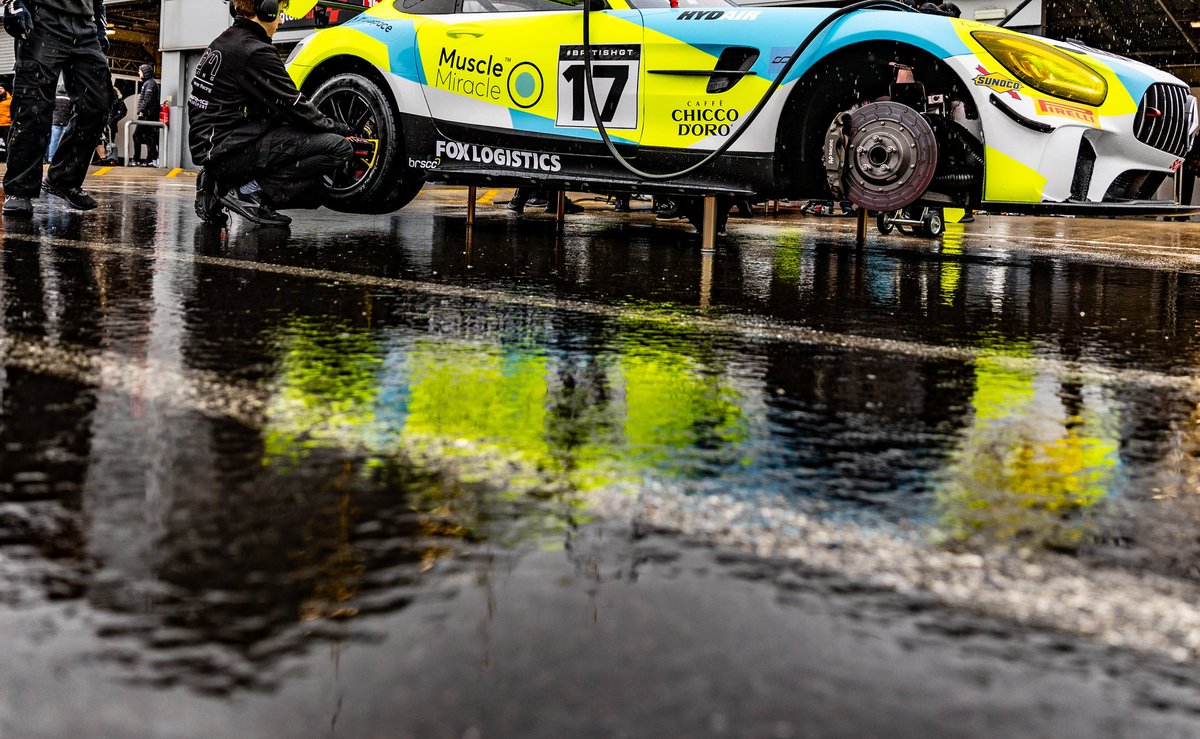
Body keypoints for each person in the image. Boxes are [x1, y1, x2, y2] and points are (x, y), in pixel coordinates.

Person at [188, 0, 355, 226]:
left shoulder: (223, 42)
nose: (279, 20)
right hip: (230, 152)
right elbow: (295, 105)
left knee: (289, 131)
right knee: (338, 148)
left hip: (216, 151)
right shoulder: (254, 51)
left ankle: (217, 182)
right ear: (265, 10)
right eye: (279, 11)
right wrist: (338, 127)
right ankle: (249, 192)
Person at [1, 0, 111, 216]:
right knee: (33, 105)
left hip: (84, 25)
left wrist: (100, 23)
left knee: (98, 104)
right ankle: (20, 188)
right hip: (42, 18)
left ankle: (63, 178)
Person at [131, 63, 159, 166]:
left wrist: (142, 111)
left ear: (145, 72)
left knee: (137, 135)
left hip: (146, 115)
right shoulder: (150, 83)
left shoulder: (149, 84)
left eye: (140, 71)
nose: (138, 72)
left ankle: (137, 159)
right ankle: (150, 160)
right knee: (149, 137)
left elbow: (147, 99)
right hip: (149, 115)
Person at [45, 85, 70, 162]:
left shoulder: (54, 97)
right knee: (64, 141)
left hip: (55, 122)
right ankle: (62, 157)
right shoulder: (68, 98)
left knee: (53, 141)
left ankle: (51, 157)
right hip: (65, 121)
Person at [0, 83, 12, 154]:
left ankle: (9, 157)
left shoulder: (10, 100)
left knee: (7, 142)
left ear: (5, 89)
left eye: (1, 88)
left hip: (6, 124)